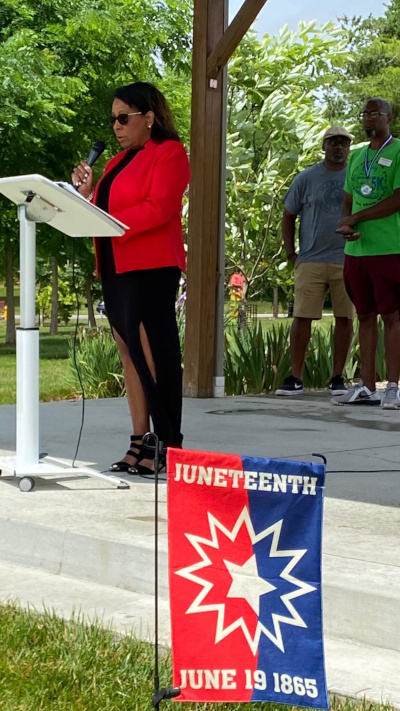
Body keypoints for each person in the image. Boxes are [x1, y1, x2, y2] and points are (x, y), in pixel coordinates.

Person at [72, 81, 190, 473]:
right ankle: (139, 440)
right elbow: (102, 211)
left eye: (124, 118)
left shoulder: (170, 153)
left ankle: (166, 442)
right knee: (128, 352)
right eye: (113, 120)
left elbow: (159, 208)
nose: (116, 127)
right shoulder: (115, 163)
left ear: (150, 118)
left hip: (151, 268)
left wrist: (109, 219)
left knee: (152, 353)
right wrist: (88, 195)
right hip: (116, 267)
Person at [275, 126, 354, 397]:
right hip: (310, 259)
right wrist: (291, 253)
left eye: (343, 143)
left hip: (347, 258)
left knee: (345, 317)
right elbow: (288, 214)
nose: (338, 148)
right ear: (324, 147)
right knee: (302, 317)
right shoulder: (307, 178)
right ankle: (295, 377)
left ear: (348, 148)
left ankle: (337, 377)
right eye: (333, 142)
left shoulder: (355, 177)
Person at [335, 98, 400, 409]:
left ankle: (394, 387)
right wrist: (347, 224)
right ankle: (368, 385)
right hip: (356, 249)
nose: (368, 118)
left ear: (388, 117)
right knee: (364, 315)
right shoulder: (358, 155)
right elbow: (348, 200)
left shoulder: (398, 151)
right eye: (365, 113)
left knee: (391, 315)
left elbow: (397, 200)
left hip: (388, 247)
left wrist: (359, 218)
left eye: (374, 113)